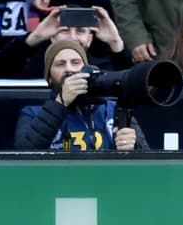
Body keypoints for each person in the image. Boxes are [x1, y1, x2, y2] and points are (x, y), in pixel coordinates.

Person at [13, 38, 144, 151]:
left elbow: (146, 160)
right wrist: (61, 103)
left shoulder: (113, 109)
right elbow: (23, 153)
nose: (69, 69)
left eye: (76, 63)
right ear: (49, 78)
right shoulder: (32, 113)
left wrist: (133, 147)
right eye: (60, 64)